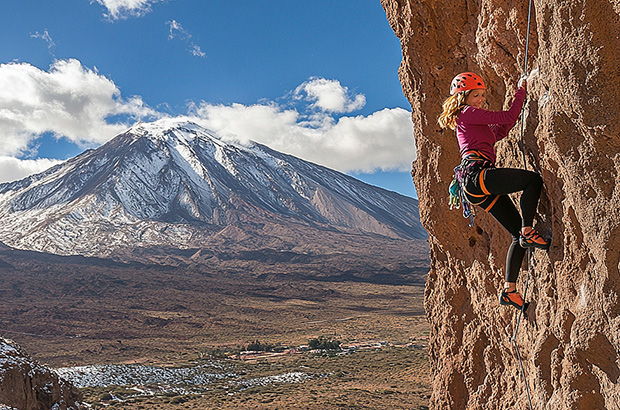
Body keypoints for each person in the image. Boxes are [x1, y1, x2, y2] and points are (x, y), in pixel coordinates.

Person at [438, 72, 550, 312]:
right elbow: (508, 115)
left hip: (475, 184)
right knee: (532, 181)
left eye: (481, 96)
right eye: (476, 95)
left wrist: (515, 112)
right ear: (463, 96)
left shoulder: (471, 119)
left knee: (515, 234)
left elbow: (502, 129)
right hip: (477, 175)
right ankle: (529, 230)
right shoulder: (467, 113)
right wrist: (522, 90)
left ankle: (510, 291)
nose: (480, 100)